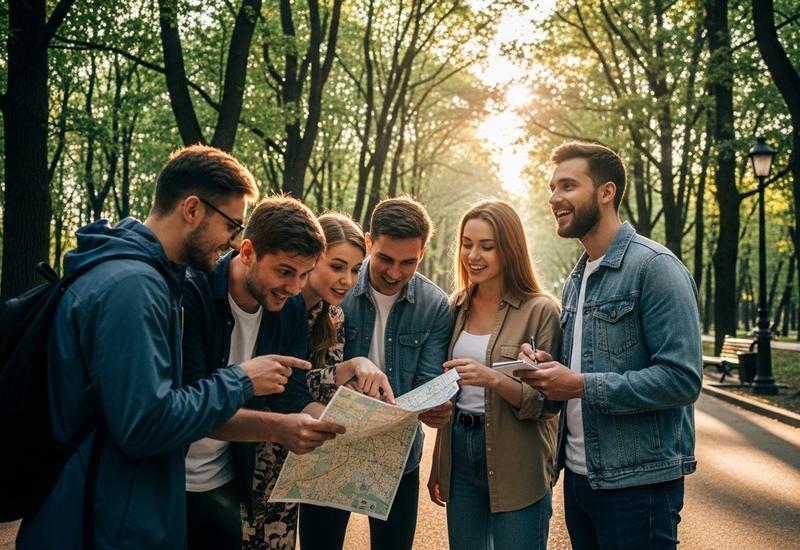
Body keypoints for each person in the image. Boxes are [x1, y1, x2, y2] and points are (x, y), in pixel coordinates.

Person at [17, 145, 306, 549]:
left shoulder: (145, 277)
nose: (231, 242)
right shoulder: (133, 288)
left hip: (111, 512)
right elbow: (145, 425)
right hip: (100, 523)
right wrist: (240, 380)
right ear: (192, 209)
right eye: (230, 226)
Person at [517, 142, 703, 549]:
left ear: (606, 192)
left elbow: (682, 379)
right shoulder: (577, 278)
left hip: (639, 485)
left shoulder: (655, 268)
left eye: (568, 185)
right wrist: (551, 367)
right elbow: (588, 363)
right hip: (582, 478)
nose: (554, 198)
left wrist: (582, 384)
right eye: (552, 188)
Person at [180, 196, 348, 550]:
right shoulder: (192, 293)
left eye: (304, 275)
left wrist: (328, 423)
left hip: (223, 480)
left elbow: (290, 393)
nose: (294, 287)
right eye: (285, 272)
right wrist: (278, 427)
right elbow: (189, 408)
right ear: (247, 251)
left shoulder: (287, 309)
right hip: (165, 480)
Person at [299, 197, 454, 550]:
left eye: (408, 262)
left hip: (397, 457)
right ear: (369, 242)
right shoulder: (337, 288)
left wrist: (436, 408)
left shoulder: (434, 305)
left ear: (423, 250)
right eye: (385, 258)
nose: (394, 272)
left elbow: (427, 385)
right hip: (331, 447)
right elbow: (310, 375)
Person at [241, 212, 394, 550]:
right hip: (255, 448)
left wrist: (355, 402)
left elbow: (316, 388)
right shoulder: (276, 303)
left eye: (355, 269)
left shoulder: (334, 317)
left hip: (297, 456)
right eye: (337, 266)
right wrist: (348, 371)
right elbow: (284, 387)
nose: (348, 280)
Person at [427, 200, 561, 550]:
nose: (474, 255)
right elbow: (446, 393)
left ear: (510, 250)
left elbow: (549, 404)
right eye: (467, 244)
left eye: (487, 246)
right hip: (459, 452)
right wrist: (439, 464)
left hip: (518, 456)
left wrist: (494, 379)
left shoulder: (540, 310)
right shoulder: (455, 306)